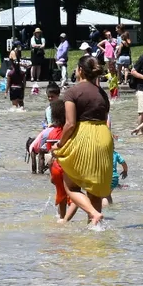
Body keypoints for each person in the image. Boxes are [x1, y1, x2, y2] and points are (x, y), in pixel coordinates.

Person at [52, 54, 116, 227]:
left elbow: (70, 124)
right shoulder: (102, 93)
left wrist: (60, 144)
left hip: (84, 136)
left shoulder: (72, 92)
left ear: (80, 70)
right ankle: (94, 226)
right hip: (104, 137)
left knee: (71, 186)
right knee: (94, 190)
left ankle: (93, 213)